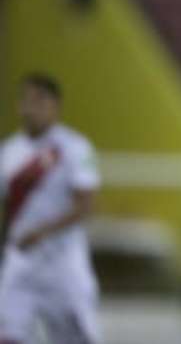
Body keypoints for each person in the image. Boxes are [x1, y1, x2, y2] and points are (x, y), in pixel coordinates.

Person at [0, 74, 101, 344]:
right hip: (20, 264)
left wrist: (42, 232)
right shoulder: (9, 152)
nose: (33, 108)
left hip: (63, 266)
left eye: (41, 101)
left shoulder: (76, 149)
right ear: (20, 106)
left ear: (55, 106)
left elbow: (85, 205)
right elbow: (7, 209)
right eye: (28, 101)